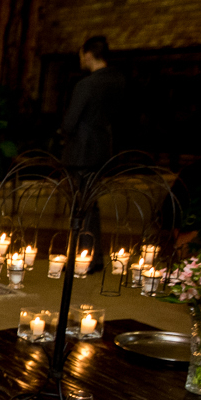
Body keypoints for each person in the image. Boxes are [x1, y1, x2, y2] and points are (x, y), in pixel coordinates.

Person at [61, 35, 125, 271]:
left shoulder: (86, 84)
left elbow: (70, 122)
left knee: (81, 207)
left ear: (88, 54)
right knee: (91, 205)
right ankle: (93, 257)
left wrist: (63, 133)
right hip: (102, 150)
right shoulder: (118, 81)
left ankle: (83, 258)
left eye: (80, 54)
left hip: (81, 152)